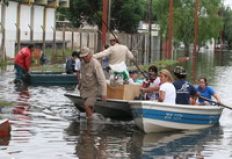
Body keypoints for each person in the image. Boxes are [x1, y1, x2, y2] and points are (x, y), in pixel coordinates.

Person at [78, 47, 107, 119]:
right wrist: (79, 84)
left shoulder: (95, 64)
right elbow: (82, 75)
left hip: (94, 89)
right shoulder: (82, 63)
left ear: (90, 55)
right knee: (89, 107)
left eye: (86, 56)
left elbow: (102, 80)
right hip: (85, 89)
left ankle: (90, 123)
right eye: (83, 57)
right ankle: (93, 119)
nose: (84, 58)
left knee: (86, 105)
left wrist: (104, 93)